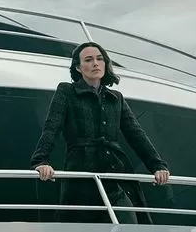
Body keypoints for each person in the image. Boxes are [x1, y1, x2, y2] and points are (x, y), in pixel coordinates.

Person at [30, 42, 170, 224]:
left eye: (99, 59)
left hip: (114, 174)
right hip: (81, 175)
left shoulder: (116, 98)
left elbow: (136, 134)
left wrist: (157, 165)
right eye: (88, 60)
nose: (95, 63)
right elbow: (52, 127)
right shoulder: (67, 91)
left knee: (127, 223)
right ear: (78, 67)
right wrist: (41, 161)